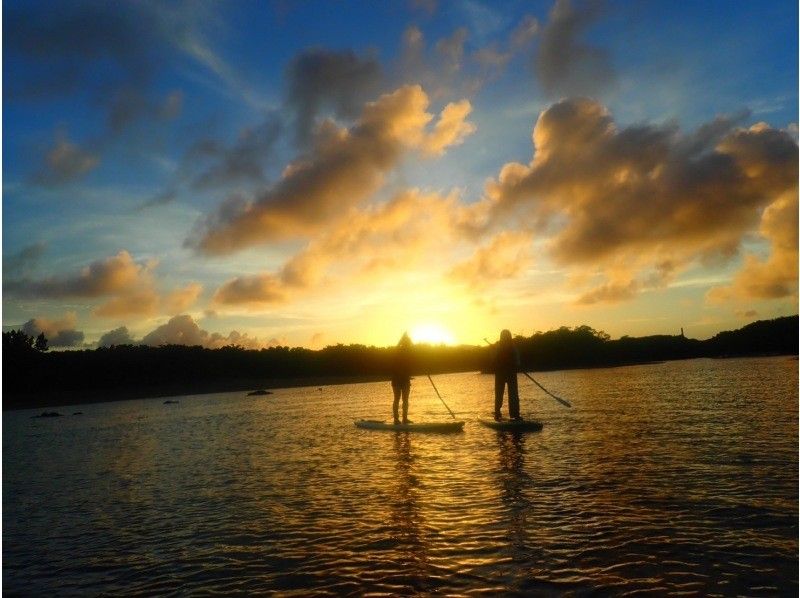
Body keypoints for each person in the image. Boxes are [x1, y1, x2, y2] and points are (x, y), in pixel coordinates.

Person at [494, 329, 521, 421]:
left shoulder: (513, 348)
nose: (505, 338)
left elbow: (517, 360)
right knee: (499, 394)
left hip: (511, 373)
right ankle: (497, 413)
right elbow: (494, 359)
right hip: (500, 374)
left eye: (507, 336)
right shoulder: (498, 347)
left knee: (513, 395)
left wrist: (516, 365)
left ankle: (515, 414)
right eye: (504, 336)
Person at [392, 333, 413, 425]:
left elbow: (414, 351)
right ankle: (396, 419)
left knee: (406, 400)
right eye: (406, 343)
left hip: (405, 380)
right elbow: (397, 347)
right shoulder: (397, 351)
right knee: (397, 399)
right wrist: (402, 338)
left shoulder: (409, 352)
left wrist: (407, 338)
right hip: (396, 380)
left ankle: (404, 419)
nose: (407, 344)